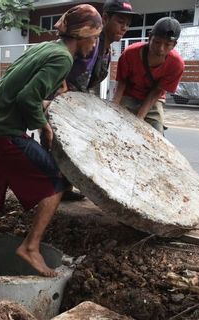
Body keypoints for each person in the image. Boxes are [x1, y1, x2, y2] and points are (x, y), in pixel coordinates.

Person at [0, 4, 102, 277]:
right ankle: (30, 247)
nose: (95, 43)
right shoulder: (62, 58)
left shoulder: (47, 48)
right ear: (81, 36)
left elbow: (17, 87)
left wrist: (49, 98)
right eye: (95, 37)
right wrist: (44, 126)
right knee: (56, 181)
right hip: (5, 131)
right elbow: (27, 99)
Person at [63, 0, 139, 201]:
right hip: (62, 101)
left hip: (79, 104)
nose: (124, 27)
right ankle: (55, 190)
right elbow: (62, 60)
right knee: (60, 146)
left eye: (127, 23)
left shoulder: (107, 49)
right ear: (105, 19)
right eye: (120, 21)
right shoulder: (89, 41)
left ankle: (64, 187)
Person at [113, 17, 185, 134]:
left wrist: (140, 118)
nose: (161, 49)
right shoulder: (130, 53)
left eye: (167, 44)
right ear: (150, 37)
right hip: (129, 94)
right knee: (118, 127)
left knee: (157, 133)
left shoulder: (176, 64)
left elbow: (157, 91)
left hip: (153, 99)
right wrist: (114, 107)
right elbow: (122, 82)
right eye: (157, 42)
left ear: (174, 44)